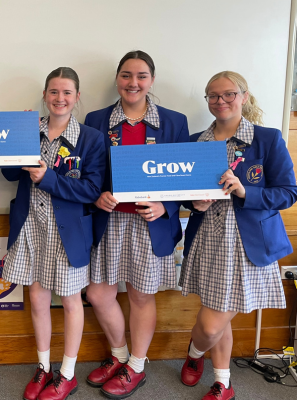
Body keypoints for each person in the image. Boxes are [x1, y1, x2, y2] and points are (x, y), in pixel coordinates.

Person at [178, 71, 297, 400]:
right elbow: (181, 192)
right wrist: (193, 202)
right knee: (218, 316)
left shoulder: (267, 139)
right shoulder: (194, 142)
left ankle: (194, 353)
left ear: (244, 96)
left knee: (212, 324)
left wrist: (247, 191)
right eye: (213, 96)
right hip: (207, 240)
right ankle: (223, 381)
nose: (221, 101)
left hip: (248, 244)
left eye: (229, 94)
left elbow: (288, 193)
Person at [83, 50, 189, 399]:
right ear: (117, 78)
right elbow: (89, 171)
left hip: (149, 223)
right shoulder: (97, 119)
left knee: (142, 295)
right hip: (110, 220)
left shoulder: (174, 122)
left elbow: (185, 176)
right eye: (127, 75)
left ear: (152, 80)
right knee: (99, 293)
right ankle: (120, 356)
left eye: (141, 76)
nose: (133, 82)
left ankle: (137, 367)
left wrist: (166, 204)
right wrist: (97, 196)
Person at [2, 67, 105, 400]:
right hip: (30, 224)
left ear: (76, 97)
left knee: (73, 301)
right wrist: (16, 135)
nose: (59, 99)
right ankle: (43, 367)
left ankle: (67, 374)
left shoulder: (90, 137)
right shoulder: (31, 129)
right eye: (53, 92)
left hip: (67, 231)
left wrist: (48, 178)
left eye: (67, 93)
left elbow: (90, 189)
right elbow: (6, 172)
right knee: (37, 298)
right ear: (45, 96)